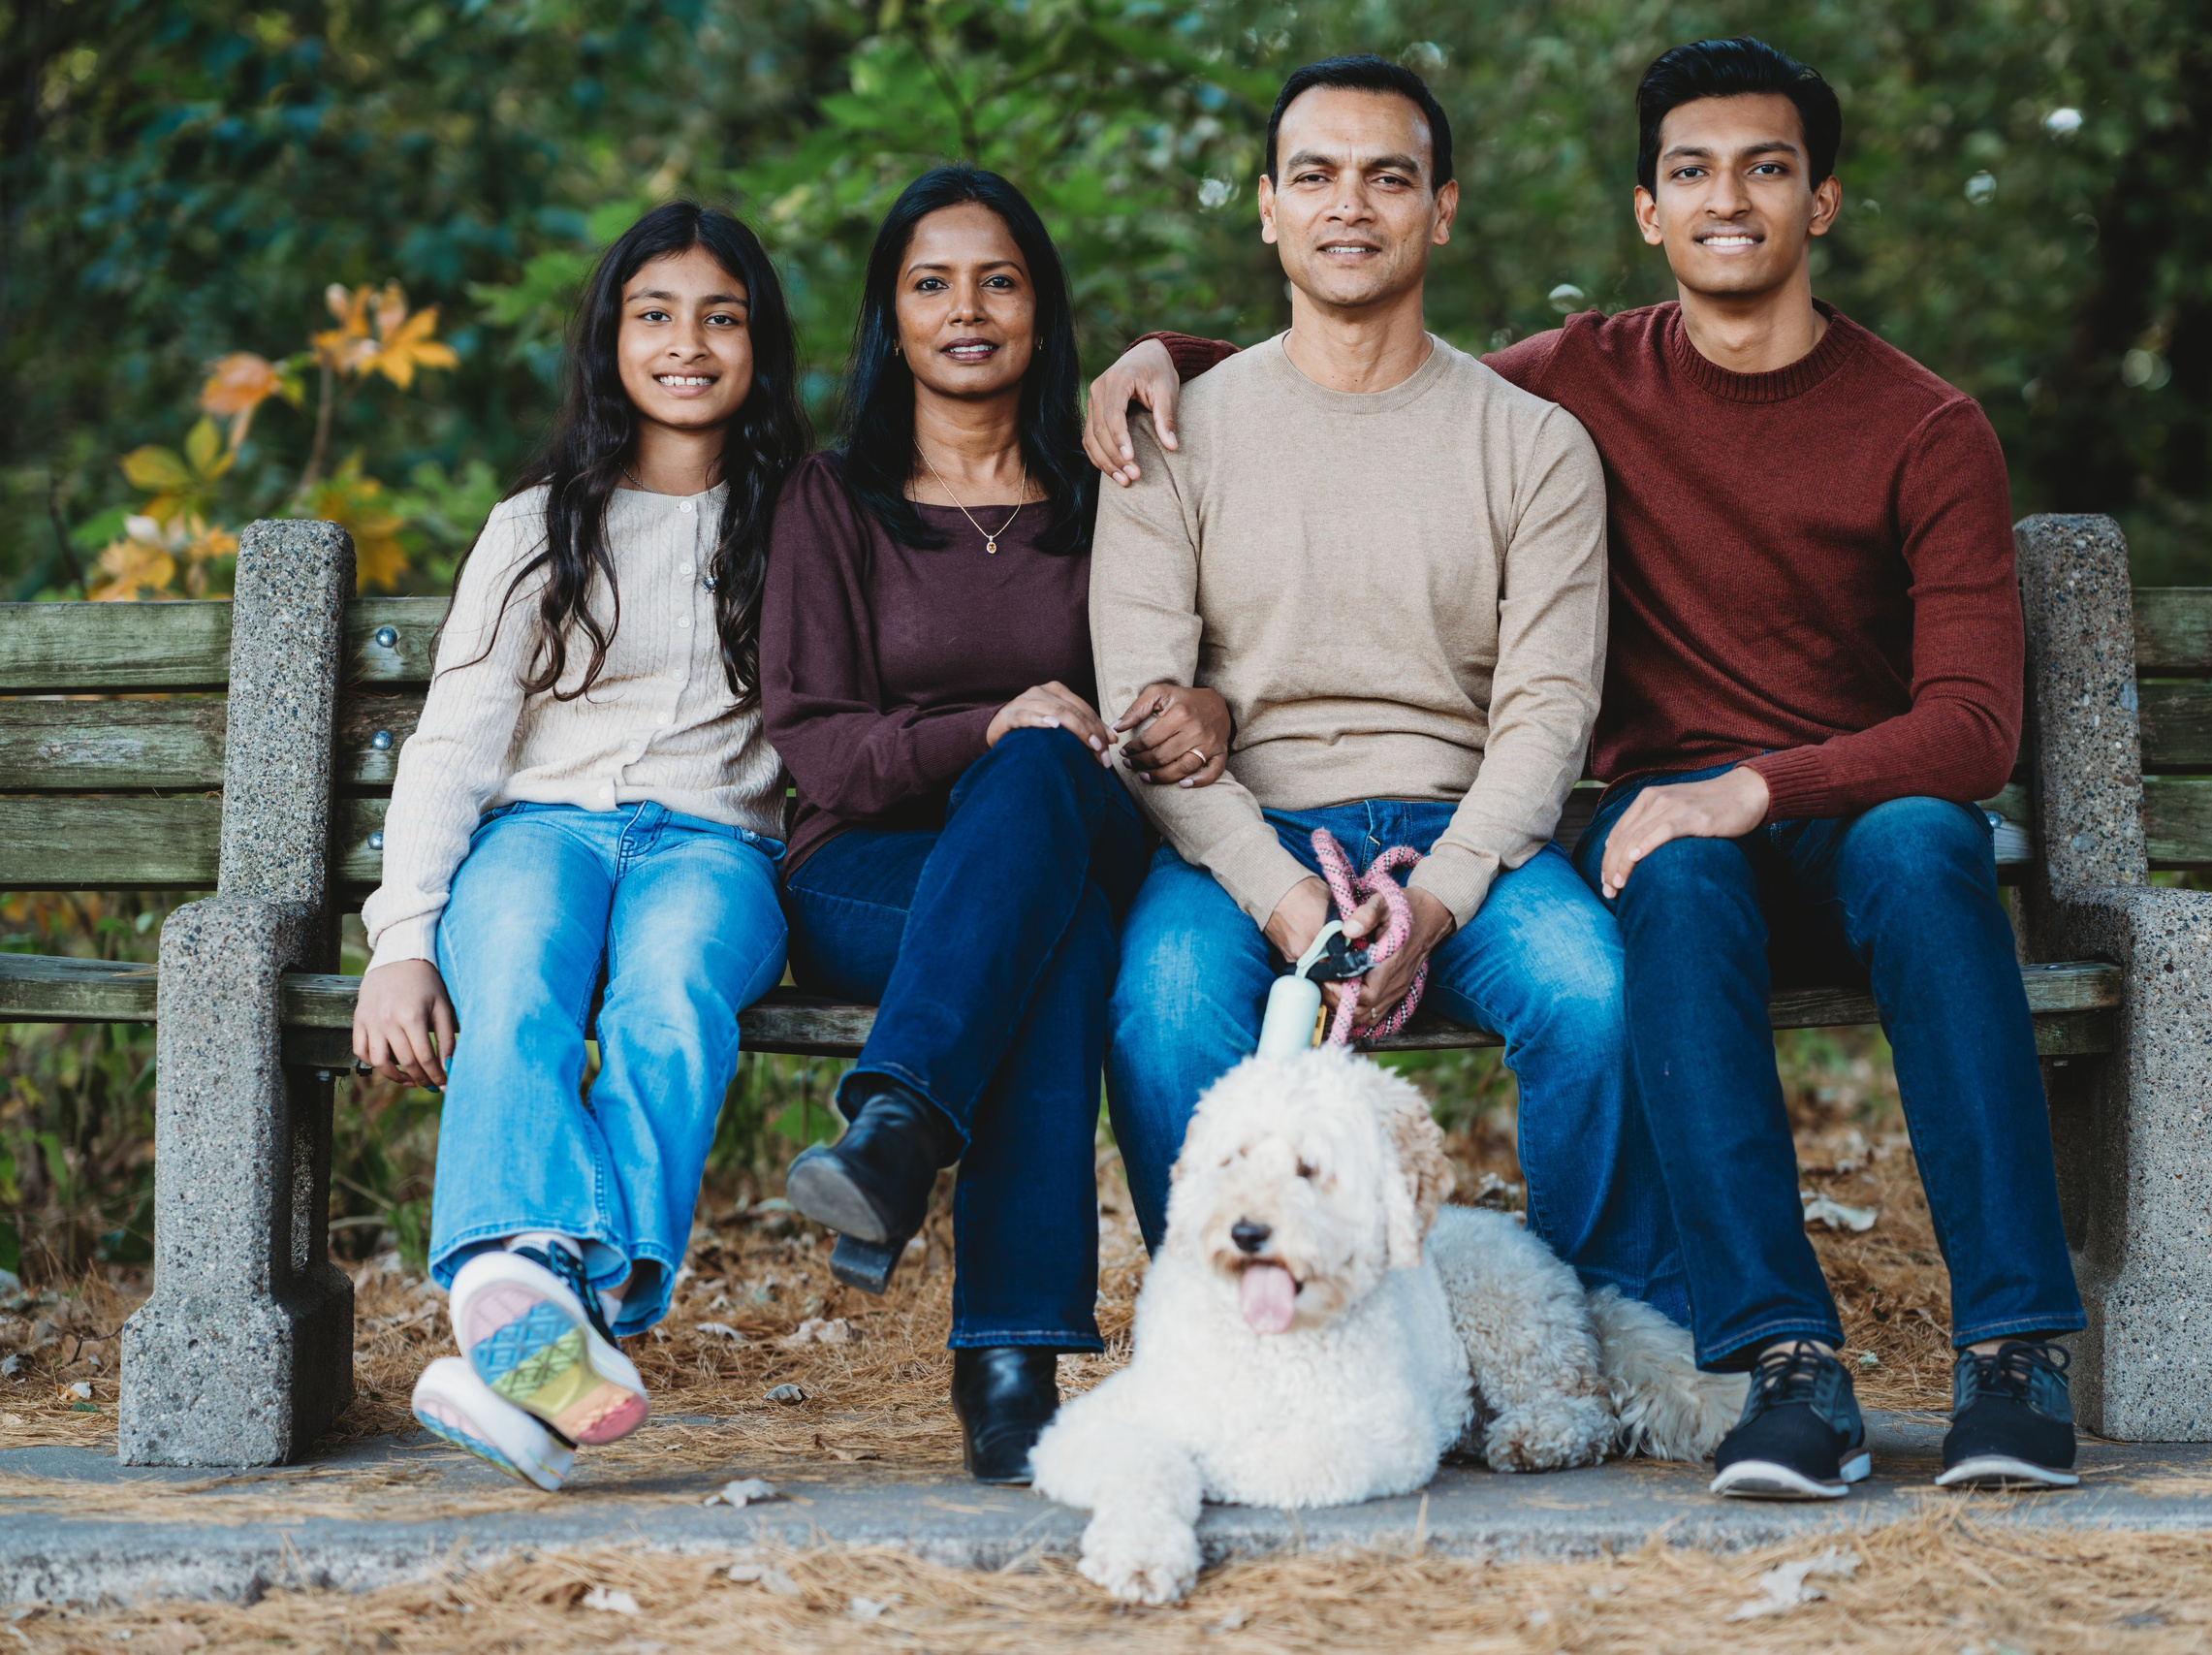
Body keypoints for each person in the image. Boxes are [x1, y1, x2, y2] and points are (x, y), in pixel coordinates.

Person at [1085, 38, 2088, 1501]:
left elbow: (1965, 731)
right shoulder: (1555, 382)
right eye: (1692, 171)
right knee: (1636, 899)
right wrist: (1157, 356)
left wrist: (1717, 796)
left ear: (1824, 203)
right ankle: (1761, 1359)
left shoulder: (1902, 428)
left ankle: (1958, 1350)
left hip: (1769, 821)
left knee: (1894, 860)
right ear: (1646, 210)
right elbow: (1348, 383)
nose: (1727, 199)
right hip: (1511, 843)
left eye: (1767, 168)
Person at [1089, 55, 1694, 1382]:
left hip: (1459, 827)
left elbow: (1546, 714)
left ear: (1443, 209)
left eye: (1388, 177)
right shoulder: (1169, 434)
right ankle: (1219, 1338)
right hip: (1247, 826)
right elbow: (1142, 716)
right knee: (1164, 1003)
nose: (1348, 206)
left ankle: (1598, 1341)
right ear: (1266, 209)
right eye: (1314, 176)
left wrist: (1437, 903)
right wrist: (1281, 903)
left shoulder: (1532, 446)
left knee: (1593, 991)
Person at [761, 167, 1233, 1484]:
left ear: (1043, 310)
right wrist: (986, 728)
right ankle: (1012, 1355)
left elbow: (1295, 362)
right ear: (891, 318)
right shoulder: (832, 500)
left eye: (1000, 279)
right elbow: (821, 748)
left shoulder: (1116, 484)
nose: (966, 309)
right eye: (931, 283)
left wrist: (1162, 352)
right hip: (872, 877)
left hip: (1086, 824)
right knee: (1053, 922)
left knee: (1042, 797)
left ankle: (901, 1131)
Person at [353, 204, 807, 1491]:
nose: (686, 343)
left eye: (722, 317)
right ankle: (557, 1309)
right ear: (611, 338)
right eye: (654, 314)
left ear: (760, 348)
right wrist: (397, 945)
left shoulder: (805, 526)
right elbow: (453, 749)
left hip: (716, 848)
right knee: (519, 985)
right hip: (537, 832)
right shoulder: (536, 525)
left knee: (671, 997)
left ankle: (545, 1315)